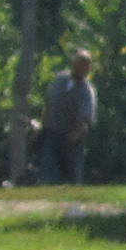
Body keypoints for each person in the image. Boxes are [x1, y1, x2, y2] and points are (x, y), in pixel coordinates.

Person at [44, 49, 100, 185]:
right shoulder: (60, 80)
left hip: (71, 138)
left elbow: (85, 116)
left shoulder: (87, 90)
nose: (82, 68)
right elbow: (48, 103)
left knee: (72, 175)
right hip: (51, 133)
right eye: (79, 63)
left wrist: (75, 134)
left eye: (85, 65)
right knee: (48, 172)